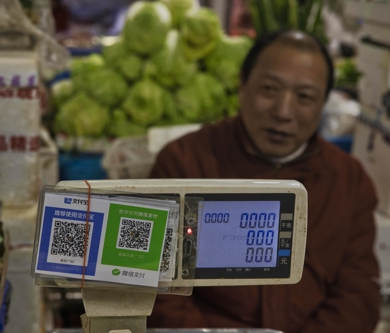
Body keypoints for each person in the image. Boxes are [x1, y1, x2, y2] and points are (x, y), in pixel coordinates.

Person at [147, 30, 381, 333]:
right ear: (242, 88)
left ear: (323, 103)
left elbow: (358, 295)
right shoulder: (183, 162)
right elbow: (155, 286)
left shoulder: (349, 181)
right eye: (269, 89)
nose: (283, 112)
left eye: (305, 97)